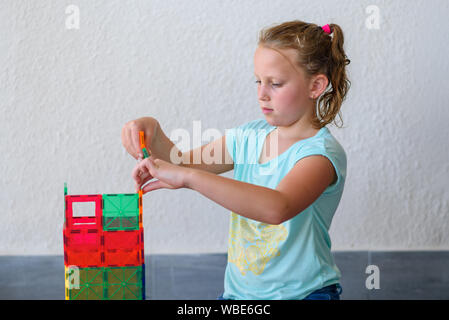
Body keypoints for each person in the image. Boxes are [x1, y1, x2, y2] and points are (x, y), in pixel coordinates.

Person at [121, 20, 351, 300]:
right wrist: (151, 130)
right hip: (238, 297)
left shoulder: (320, 155)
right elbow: (179, 163)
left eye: (275, 83)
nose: (261, 94)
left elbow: (277, 207)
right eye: (258, 81)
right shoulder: (248, 137)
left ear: (316, 85)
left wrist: (190, 180)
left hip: (305, 295)